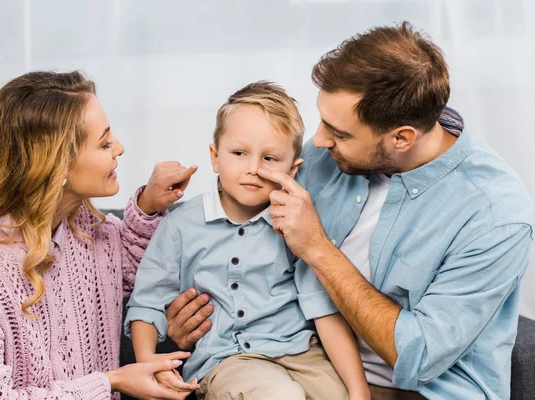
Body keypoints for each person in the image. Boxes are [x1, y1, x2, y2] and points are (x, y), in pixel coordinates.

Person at [165, 23, 534, 400]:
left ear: (401, 138)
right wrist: (189, 322)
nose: (319, 141)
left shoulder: (494, 215)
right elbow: (237, 236)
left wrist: (318, 249)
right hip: (304, 364)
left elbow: (418, 357)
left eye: (339, 133)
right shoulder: (325, 159)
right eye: (323, 120)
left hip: (421, 390)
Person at [0, 70, 200, 399]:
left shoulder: (83, 228)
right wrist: (110, 383)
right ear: (57, 165)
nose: (120, 148)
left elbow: (132, 271)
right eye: (104, 143)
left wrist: (149, 205)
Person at [125, 81, 370, 399]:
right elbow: (147, 301)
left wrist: (359, 389)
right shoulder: (180, 226)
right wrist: (148, 362)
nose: (253, 168)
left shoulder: (296, 225)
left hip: (301, 353)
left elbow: (322, 308)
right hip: (229, 360)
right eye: (239, 153)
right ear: (215, 157)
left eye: (270, 158)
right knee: (280, 396)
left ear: (292, 170)